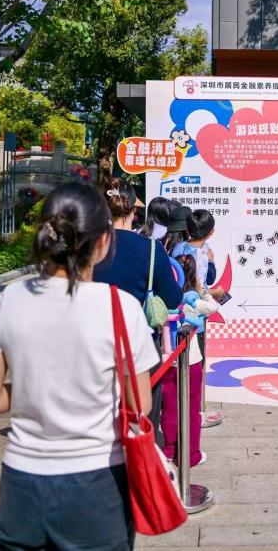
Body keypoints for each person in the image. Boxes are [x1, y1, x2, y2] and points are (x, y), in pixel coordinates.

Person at [0, 183, 159, 550]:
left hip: (21, 485)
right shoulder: (120, 307)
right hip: (97, 483)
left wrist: (36, 386)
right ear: (103, 241)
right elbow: (140, 404)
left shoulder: (9, 299)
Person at [93, 178, 183, 439]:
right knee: (141, 426)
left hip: (91, 346)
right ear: (133, 211)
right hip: (138, 349)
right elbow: (173, 299)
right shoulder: (151, 249)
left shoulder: (86, 247)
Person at [170, 209, 226, 427]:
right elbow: (204, 284)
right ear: (211, 232)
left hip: (178, 313)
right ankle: (194, 413)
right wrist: (211, 263)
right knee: (196, 364)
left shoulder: (178, 249)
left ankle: (184, 409)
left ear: (187, 228)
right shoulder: (203, 255)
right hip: (196, 318)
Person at [161, 255, 218, 467]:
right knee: (192, 409)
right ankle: (191, 453)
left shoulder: (162, 299)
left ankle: (169, 449)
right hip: (190, 361)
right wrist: (203, 290)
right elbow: (213, 307)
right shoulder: (192, 300)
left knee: (169, 407)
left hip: (167, 361)